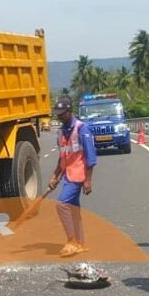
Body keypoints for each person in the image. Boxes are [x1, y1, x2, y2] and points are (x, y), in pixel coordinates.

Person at [46, 96, 96, 258]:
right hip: (67, 175)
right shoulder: (61, 132)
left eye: (63, 113)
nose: (60, 116)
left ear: (70, 111)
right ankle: (81, 243)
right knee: (73, 210)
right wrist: (55, 176)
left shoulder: (82, 129)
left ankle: (72, 241)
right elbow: (62, 157)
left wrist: (88, 180)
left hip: (78, 175)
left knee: (61, 205)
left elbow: (91, 157)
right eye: (58, 114)